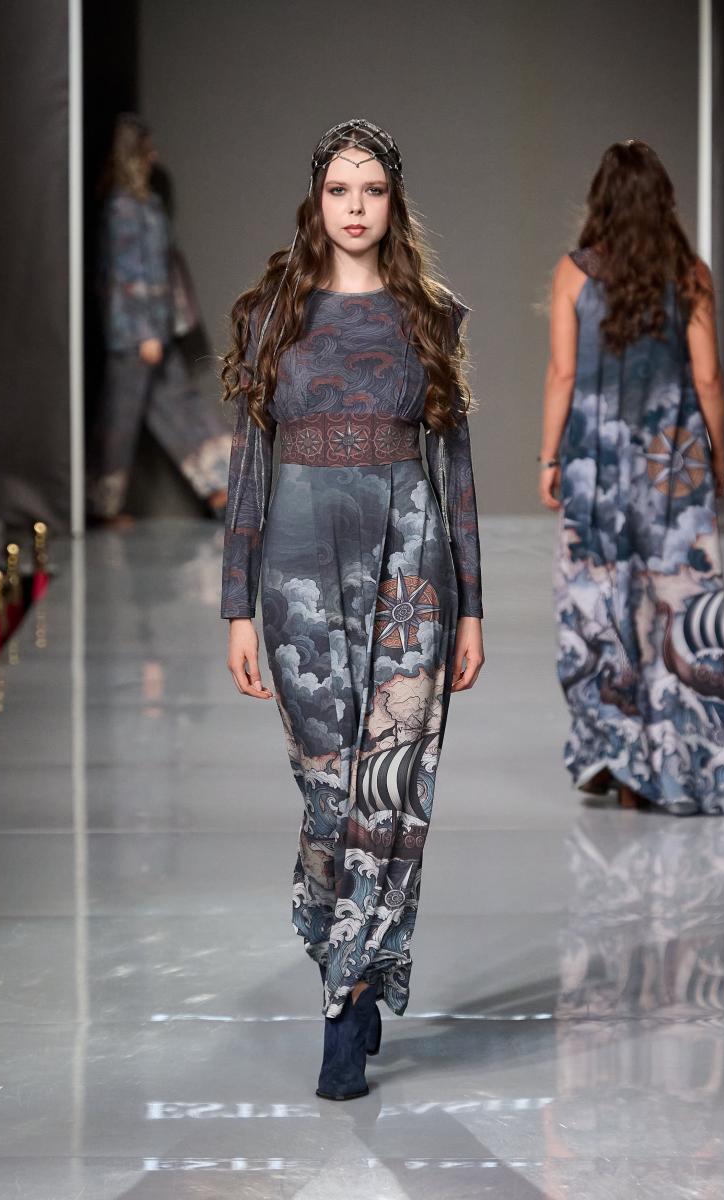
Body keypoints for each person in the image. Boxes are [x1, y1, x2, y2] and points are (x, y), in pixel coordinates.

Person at [220, 119, 484, 1099]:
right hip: (296, 573)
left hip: (412, 572)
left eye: (372, 189)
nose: (356, 206)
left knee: (393, 793)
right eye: (340, 189)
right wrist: (236, 607)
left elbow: (455, 472)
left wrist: (472, 609)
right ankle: (353, 952)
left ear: (393, 202)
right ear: (317, 201)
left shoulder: (431, 316)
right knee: (330, 795)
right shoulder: (273, 316)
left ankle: (345, 1003)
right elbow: (249, 468)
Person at [539, 140, 724, 816]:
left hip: (595, 465)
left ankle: (615, 753)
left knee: (598, 605)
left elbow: (563, 374)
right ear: (664, 202)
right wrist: (717, 457)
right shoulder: (690, 274)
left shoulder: (574, 274)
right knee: (677, 608)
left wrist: (549, 459)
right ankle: (685, 766)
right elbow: (707, 378)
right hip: (671, 465)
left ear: (600, 201)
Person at [88, 112, 230, 524]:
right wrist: (144, 333)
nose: (154, 156)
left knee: (178, 405)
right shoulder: (122, 208)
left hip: (155, 332)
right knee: (121, 419)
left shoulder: (144, 204)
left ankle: (223, 488)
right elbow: (124, 276)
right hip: (136, 336)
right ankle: (100, 504)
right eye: (146, 149)